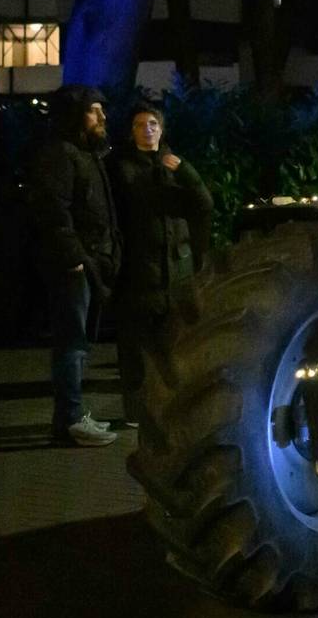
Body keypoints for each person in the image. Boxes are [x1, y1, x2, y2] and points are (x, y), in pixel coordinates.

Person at [26, 85, 122, 447]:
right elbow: (54, 211)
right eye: (93, 110)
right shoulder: (61, 154)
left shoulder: (86, 152)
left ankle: (73, 415)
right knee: (72, 342)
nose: (102, 116)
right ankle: (69, 420)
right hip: (73, 266)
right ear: (74, 115)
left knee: (78, 341)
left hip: (86, 262)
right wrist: (73, 259)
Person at [107, 101, 212, 429]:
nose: (147, 129)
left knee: (176, 343)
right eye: (140, 125)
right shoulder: (121, 167)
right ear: (132, 132)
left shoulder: (174, 164)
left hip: (176, 272)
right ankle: (138, 412)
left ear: (162, 128)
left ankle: (173, 408)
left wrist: (185, 173)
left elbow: (203, 204)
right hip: (139, 271)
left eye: (152, 123)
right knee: (137, 348)